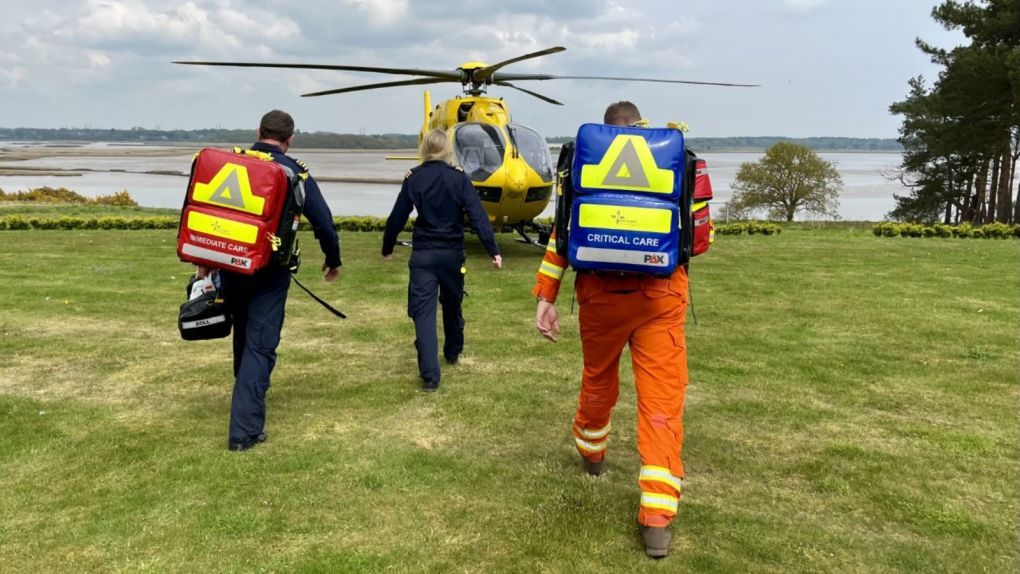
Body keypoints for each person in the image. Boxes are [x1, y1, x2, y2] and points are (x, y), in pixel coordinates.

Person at [532, 101, 689, 558]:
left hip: (600, 298)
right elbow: (701, 238)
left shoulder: (585, 165)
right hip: (661, 300)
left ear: (605, 131)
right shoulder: (671, 159)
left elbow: (562, 236)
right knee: (661, 403)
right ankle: (657, 520)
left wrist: (546, 296)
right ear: (641, 127)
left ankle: (593, 454)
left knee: (599, 380)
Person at [199, 109, 341, 452]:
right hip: (270, 272)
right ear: (289, 140)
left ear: (258, 131)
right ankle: (244, 432)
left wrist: (204, 261)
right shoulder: (295, 171)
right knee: (260, 344)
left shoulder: (233, 162)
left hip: (231, 266)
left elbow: (209, 212)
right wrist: (332, 260)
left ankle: (246, 394)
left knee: (244, 333)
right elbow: (324, 222)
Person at [382, 128, 502, 392]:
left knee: (423, 314)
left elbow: (397, 217)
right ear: (448, 150)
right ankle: (453, 350)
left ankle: (430, 376)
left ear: (424, 149)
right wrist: (493, 249)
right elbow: (477, 215)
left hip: (424, 255)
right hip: (451, 255)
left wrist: (387, 247)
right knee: (452, 304)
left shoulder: (414, 178)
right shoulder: (458, 178)